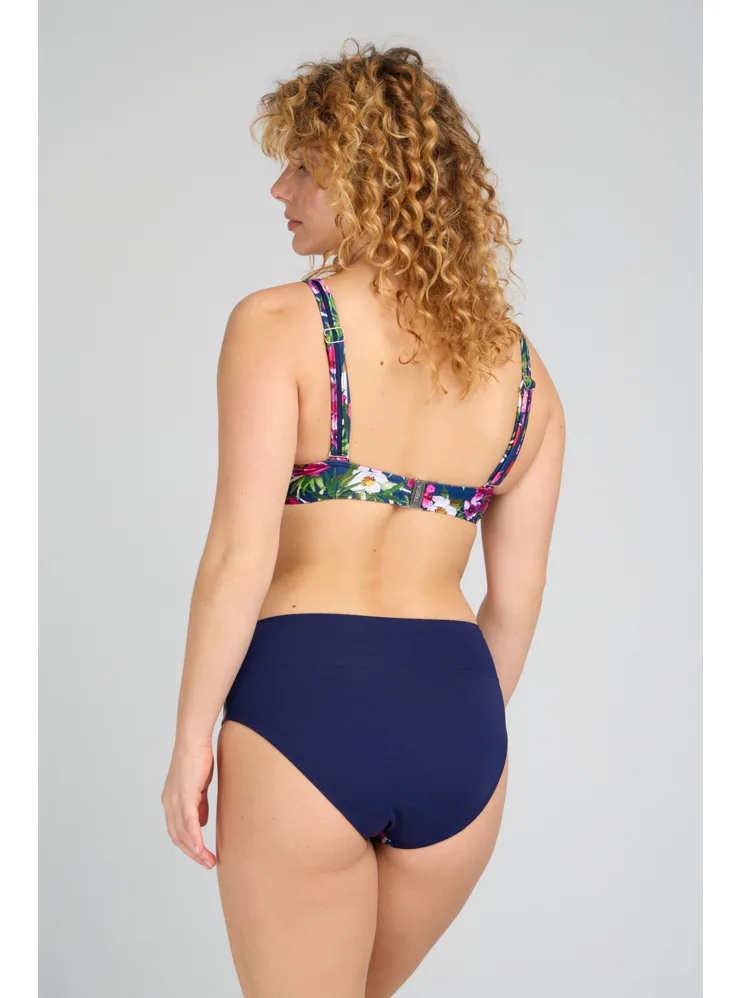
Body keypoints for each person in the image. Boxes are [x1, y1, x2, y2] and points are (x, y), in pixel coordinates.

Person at [161, 40, 565, 998]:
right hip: (460, 728)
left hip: (307, 706)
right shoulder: (524, 375)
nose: (281, 189)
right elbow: (516, 602)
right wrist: (444, 727)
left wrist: (189, 744)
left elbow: (239, 555)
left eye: (304, 165)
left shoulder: (277, 324)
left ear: (370, 175)